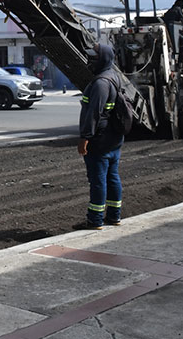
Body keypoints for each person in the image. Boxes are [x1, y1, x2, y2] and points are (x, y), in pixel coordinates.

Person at [75, 43, 124, 230]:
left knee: (98, 181)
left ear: (103, 59)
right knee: (112, 177)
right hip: (113, 139)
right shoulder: (114, 77)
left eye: (93, 58)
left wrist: (84, 138)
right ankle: (114, 216)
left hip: (100, 140)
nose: (89, 61)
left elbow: (93, 113)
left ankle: (95, 220)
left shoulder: (100, 83)